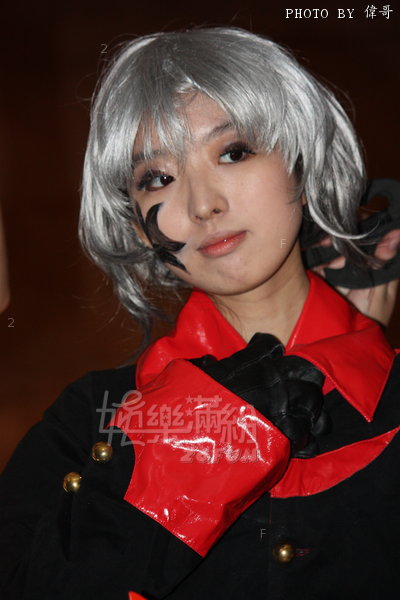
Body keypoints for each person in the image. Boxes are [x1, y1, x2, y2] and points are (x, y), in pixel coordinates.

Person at [1, 27, 399, 600]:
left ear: (302, 159)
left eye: (234, 152)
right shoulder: (87, 421)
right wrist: (196, 440)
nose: (202, 204)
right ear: (137, 225)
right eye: (157, 179)